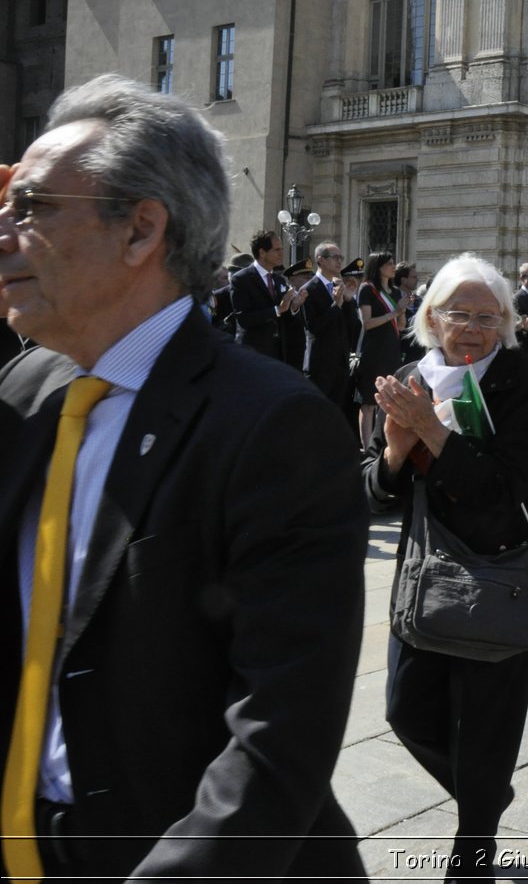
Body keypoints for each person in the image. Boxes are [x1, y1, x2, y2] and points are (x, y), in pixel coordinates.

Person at [0, 74, 367, 879]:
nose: (4, 232)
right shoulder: (24, 395)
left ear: (140, 231)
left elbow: (276, 742)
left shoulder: (276, 425)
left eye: (30, 208)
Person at [364, 253, 528, 879]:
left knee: (486, 730)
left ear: (504, 323)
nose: (473, 328)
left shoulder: (525, 380)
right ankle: (484, 798)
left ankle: (473, 848)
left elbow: (508, 489)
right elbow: (372, 491)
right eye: (459, 314)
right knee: (405, 711)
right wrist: (396, 455)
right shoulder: (409, 376)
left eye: (487, 316)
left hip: (501, 573)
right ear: (431, 317)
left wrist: (433, 432)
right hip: (423, 575)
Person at [354, 252, 413, 447]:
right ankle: (366, 446)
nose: (393, 266)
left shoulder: (395, 292)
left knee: (389, 400)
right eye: (389, 263)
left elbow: (401, 326)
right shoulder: (367, 289)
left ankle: (384, 442)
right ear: (378, 267)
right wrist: (395, 312)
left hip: (392, 349)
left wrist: (402, 311)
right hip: (373, 351)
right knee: (369, 402)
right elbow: (367, 323)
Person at [304, 240, 359, 412]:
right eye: (335, 257)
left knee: (337, 412)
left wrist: (349, 301)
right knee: (318, 412)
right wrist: (336, 305)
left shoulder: (339, 286)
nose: (339, 262)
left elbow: (353, 326)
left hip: (340, 363)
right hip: (320, 364)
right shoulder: (310, 289)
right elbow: (314, 326)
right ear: (320, 260)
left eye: (341, 257)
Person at [228, 228, 295, 359]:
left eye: (281, 249)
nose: (282, 253)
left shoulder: (279, 280)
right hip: (252, 353)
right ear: (262, 253)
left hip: (277, 353)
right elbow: (243, 318)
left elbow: (285, 316)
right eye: (277, 250)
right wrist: (276, 310)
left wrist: (295, 306)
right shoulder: (242, 279)